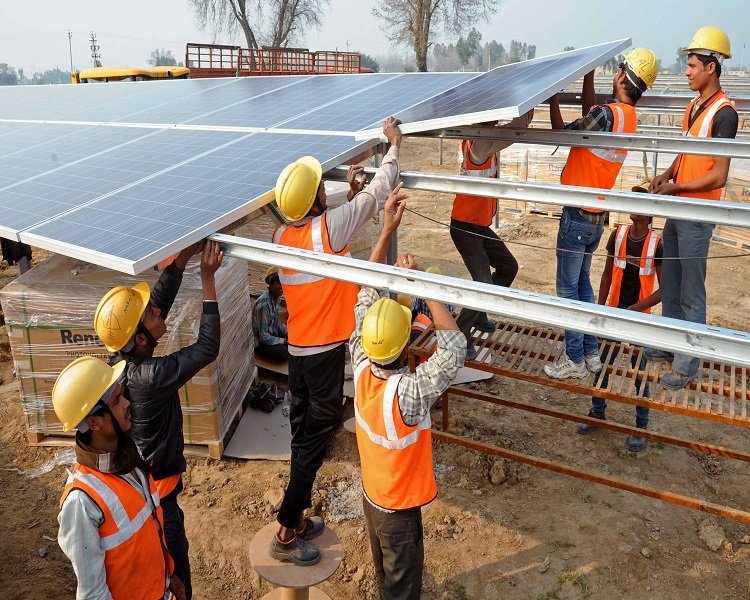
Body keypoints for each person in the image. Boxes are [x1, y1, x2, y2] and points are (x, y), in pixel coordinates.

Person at [269, 117, 403, 566]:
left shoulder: (282, 235)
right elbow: (377, 194)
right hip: (324, 354)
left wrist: (347, 196)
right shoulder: (327, 229)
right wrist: (394, 146)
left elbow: (328, 239)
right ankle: (286, 529)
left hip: (298, 354)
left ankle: (297, 515)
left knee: (301, 436)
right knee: (315, 440)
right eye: (321, 189)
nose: (325, 191)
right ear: (315, 200)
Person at [350, 188, 466, 600]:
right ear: (405, 347)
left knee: (386, 577)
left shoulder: (360, 365)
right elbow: (455, 348)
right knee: (402, 587)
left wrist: (387, 229)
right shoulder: (407, 396)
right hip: (399, 511)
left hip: (373, 498)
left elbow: (365, 291)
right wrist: (425, 282)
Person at [92, 240, 224, 599]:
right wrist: (207, 278)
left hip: (146, 488)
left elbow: (158, 305)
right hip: (159, 501)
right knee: (176, 577)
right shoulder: (148, 378)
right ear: (140, 337)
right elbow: (207, 348)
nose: (157, 310)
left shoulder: (124, 357)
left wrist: (184, 256)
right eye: (149, 312)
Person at [544, 47, 658, 380]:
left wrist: (552, 95)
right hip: (596, 218)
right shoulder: (626, 116)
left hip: (577, 214)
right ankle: (591, 352)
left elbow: (562, 130)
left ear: (622, 76)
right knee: (582, 285)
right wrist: (588, 75)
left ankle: (574, 359)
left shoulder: (608, 114)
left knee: (567, 290)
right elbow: (592, 116)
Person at [647, 26, 738, 390]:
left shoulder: (724, 113)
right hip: (680, 207)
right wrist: (668, 174)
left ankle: (686, 365)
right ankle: (670, 344)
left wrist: (678, 187)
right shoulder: (694, 106)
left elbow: (718, 176)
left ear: (711, 67)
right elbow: (687, 152)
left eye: (692, 65)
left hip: (697, 215)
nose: (686, 72)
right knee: (670, 281)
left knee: (691, 291)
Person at [54, 356, 186, 600]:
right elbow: (93, 595)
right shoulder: (82, 502)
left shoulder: (129, 459)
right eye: (116, 400)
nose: (127, 403)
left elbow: (151, 528)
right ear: (94, 422)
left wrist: (169, 576)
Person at [450, 111, 534, 360]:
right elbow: (517, 129)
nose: (497, 119)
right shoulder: (481, 143)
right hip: (465, 227)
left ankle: (479, 312)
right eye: (493, 114)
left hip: (478, 226)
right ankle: (460, 334)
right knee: (483, 283)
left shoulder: (484, 137)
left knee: (508, 267)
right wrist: (531, 103)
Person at [577, 211, 662, 452]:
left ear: (649, 214)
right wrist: (600, 310)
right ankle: (598, 413)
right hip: (614, 313)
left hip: (638, 318)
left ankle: (641, 426)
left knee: (639, 373)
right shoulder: (619, 234)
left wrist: (635, 309)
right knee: (602, 364)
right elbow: (607, 274)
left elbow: (664, 290)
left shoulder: (657, 244)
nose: (633, 206)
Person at [253, 266, 288, 362]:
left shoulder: (276, 298)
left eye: (283, 282)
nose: (282, 286)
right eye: (278, 283)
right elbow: (263, 337)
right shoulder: (264, 305)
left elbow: (277, 323)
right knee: (284, 353)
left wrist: (288, 333)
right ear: (270, 285)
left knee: (293, 339)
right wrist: (283, 341)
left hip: (272, 334)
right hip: (261, 342)